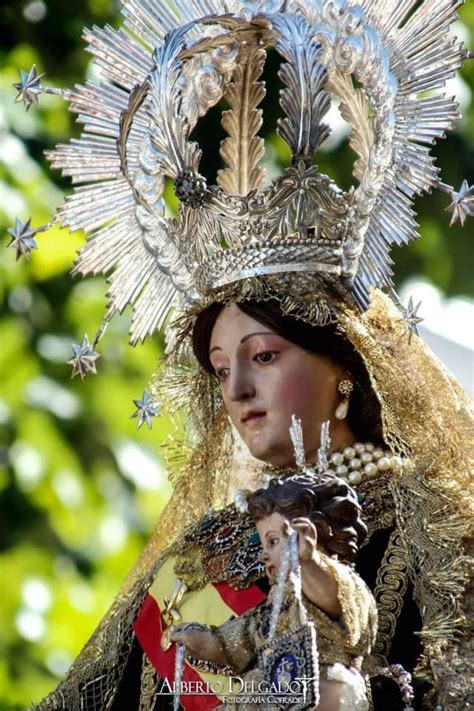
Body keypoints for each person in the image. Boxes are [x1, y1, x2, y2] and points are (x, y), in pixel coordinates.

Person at [20, 1, 471, 709]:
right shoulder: (207, 549)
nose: (236, 390)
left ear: (343, 367)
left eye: (262, 357)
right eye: (222, 368)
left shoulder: (434, 518)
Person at [170, 474, 378, 711]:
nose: (263, 555)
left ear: (312, 533)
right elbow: (244, 637)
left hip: (327, 690)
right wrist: (206, 642)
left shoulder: (341, 581)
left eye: (274, 542)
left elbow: (333, 599)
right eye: (263, 545)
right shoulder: (274, 605)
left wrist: (309, 562)